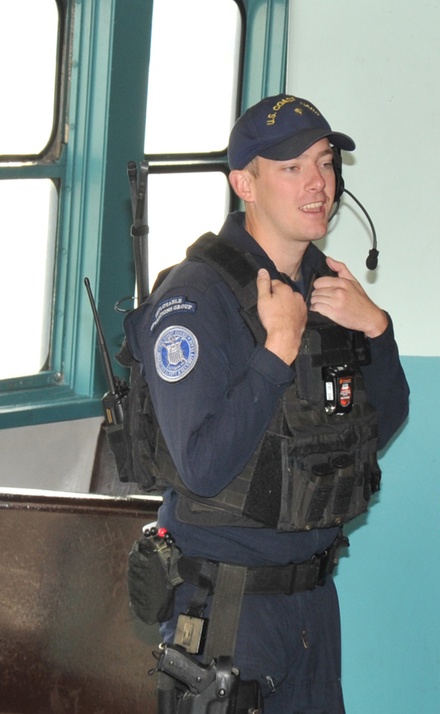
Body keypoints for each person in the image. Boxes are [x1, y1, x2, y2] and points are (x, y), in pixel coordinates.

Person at [123, 94, 409, 713]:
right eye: (291, 168)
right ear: (243, 182)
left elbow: (378, 427)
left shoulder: (326, 285)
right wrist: (276, 351)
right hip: (227, 608)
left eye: (326, 163)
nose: (319, 185)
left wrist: (378, 329)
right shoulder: (196, 296)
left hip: (311, 599)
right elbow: (201, 465)